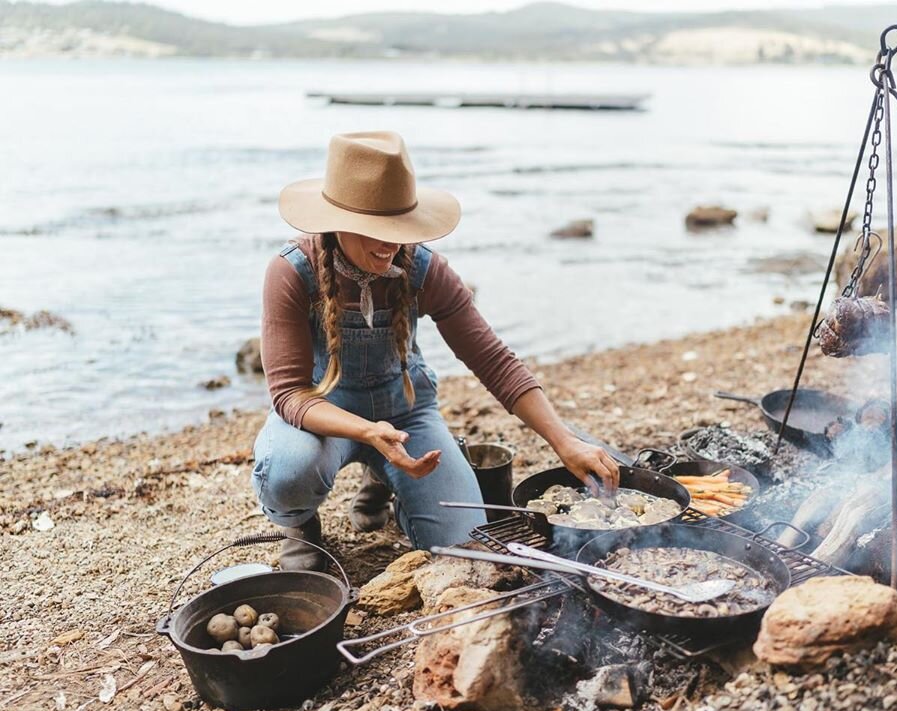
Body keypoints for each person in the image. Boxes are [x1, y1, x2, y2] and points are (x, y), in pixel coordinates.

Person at [251, 131, 620, 570]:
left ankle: (384, 480)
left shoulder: (423, 268)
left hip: (406, 416)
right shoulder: (292, 272)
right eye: (374, 229)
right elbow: (290, 395)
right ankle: (301, 525)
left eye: (398, 227)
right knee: (288, 471)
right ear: (336, 222)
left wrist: (564, 441)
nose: (390, 243)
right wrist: (367, 432)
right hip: (323, 417)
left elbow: (494, 360)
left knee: (461, 545)